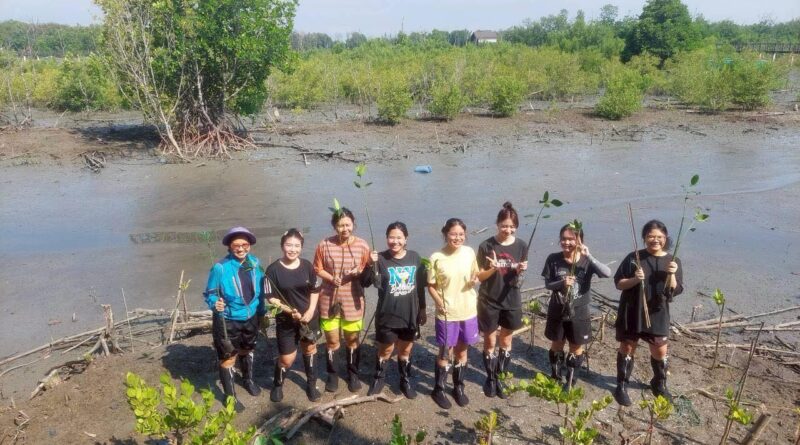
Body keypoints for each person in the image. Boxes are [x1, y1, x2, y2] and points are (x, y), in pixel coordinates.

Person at [612, 220, 683, 406]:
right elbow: (619, 283)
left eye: (659, 237)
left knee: (660, 351)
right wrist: (635, 279)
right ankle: (621, 385)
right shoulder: (633, 257)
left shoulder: (673, 261)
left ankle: (659, 384)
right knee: (627, 348)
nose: (655, 240)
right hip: (632, 311)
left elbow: (675, 291)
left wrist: (672, 274)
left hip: (658, 312)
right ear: (644, 237)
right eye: (651, 236)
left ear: (665, 238)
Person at [204, 226, 267, 411]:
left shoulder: (255, 263)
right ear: (229, 247)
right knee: (228, 357)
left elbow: (261, 292)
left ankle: (248, 380)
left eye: (244, 245)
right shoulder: (220, 268)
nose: (241, 249)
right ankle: (230, 396)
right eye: (236, 245)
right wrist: (215, 303)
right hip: (228, 320)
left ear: (250, 245)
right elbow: (210, 293)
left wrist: (262, 313)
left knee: (247, 350)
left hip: (251, 317)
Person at [541, 223, 610, 389]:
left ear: (580, 240)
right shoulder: (553, 259)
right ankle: (556, 376)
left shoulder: (586, 261)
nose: (567, 242)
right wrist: (562, 283)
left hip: (579, 311)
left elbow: (607, 273)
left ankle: (570, 381)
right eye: (563, 239)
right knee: (557, 343)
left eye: (571, 239)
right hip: (558, 309)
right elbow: (548, 285)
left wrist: (589, 255)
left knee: (576, 346)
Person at [365, 222, 427, 398]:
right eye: (391, 237)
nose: (395, 241)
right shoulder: (380, 258)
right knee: (385, 350)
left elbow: (420, 287)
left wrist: (423, 309)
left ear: (406, 239)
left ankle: (405, 380)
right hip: (387, 315)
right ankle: (379, 378)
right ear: (386, 238)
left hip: (409, 315)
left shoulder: (415, 257)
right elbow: (366, 282)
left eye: (399, 237)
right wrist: (369, 264)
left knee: (405, 351)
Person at [313, 207, 371, 393]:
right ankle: (332, 374)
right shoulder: (324, 245)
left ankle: (353, 373)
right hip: (328, 299)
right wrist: (331, 278)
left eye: (348, 225)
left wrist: (360, 271)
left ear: (353, 224)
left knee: (352, 339)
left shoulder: (362, 245)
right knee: (332, 340)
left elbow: (368, 271)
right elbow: (317, 268)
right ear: (334, 226)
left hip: (353, 299)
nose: (345, 229)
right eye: (340, 225)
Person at [476, 202, 528, 398]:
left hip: (511, 299)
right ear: (497, 224)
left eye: (512, 226)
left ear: (516, 227)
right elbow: (479, 276)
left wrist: (521, 270)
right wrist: (492, 268)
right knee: (490, 340)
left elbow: (519, 276)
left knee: (506, 340)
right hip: (489, 299)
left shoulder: (521, 245)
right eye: (504, 226)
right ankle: (490, 378)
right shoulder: (486, 246)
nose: (508, 230)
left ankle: (500, 376)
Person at [265, 229, 323, 402]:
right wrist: (289, 310)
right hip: (286, 320)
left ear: (301, 247)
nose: (293, 249)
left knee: (310, 349)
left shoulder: (307, 266)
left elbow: (315, 290)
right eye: (289, 245)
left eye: (297, 246)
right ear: (282, 245)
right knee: (287, 358)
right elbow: (271, 298)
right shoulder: (273, 270)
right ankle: (277, 383)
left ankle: (311, 383)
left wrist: (311, 311)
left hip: (309, 318)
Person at [428, 218, 480, 409]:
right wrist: (439, 302)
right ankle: (439, 389)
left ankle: (458, 387)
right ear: (445, 234)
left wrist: (475, 280)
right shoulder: (436, 257)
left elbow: (476, 273)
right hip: (447, 313)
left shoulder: (469, 252)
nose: (457, 238)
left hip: (468, 310)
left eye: (461, 234)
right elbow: (431, 285)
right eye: (453, 234)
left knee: (462, 351)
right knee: (445, 352)